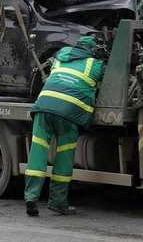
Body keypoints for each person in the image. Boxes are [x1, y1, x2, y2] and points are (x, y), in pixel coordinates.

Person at [24, 35, 106, 216]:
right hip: (69, 113)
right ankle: (58, 202)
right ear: (92, 50)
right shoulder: (95, 64)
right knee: (64, 156)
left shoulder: (61, 55)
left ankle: (31, 197)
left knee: (38, 151)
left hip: (44, 106)